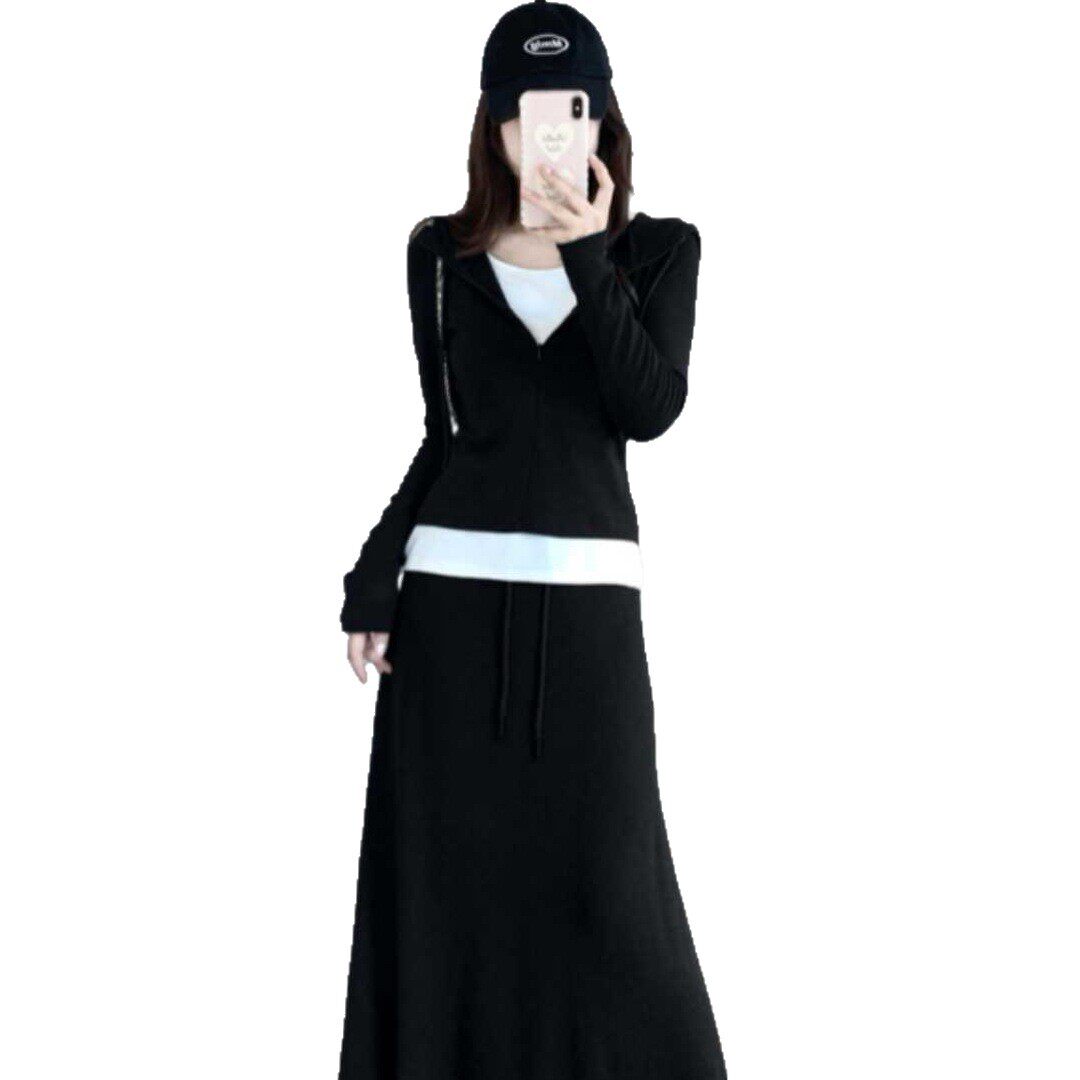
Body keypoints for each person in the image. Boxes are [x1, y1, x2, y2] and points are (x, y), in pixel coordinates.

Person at [338, 3, 726, 1077]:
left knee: (616, 903)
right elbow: (444, 435)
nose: (551, 133)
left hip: (592, 626)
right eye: (527, 114)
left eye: (574, 110)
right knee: (450, 905)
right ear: (494, 125)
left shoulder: (659, 252)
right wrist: (373, 573)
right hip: (449, 623)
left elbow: (648, 409)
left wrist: (587, 254)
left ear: (603, 118)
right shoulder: (438, 256)